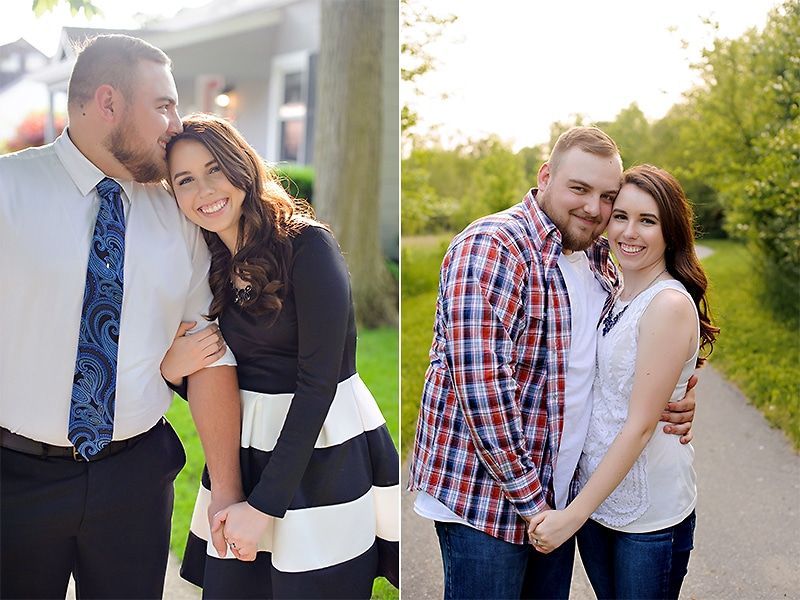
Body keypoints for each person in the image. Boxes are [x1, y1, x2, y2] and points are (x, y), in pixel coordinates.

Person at [0, 35, 243, 599]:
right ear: (107, 103)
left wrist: (227, 491)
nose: (176, 124)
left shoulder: (180, 213)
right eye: (163, 105)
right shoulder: (8, 192)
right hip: (14, 480)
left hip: (136, 478)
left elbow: (206, 351)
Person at [408, 127, 697, 599]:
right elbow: (483, 391)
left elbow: (622, 356)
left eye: (607, 197)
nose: (594, 208)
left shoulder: (599, 259)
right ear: (546, 176)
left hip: (556, 501)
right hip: (489, 503)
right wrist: (537, 506)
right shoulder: (493, 247)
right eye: (579, 189)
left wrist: (681, 389)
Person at [159, 113, 399, 599]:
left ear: (242, 166)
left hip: (320, 447)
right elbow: (216, 369)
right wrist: (172, 372)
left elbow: (318, 384)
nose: (205, 190)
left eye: (215, 169)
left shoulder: (308, 247)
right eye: (185, 180)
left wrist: (264, 508)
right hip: (244, 449)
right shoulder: (208, 263)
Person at [528, 165, 719, 599]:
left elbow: (640, 425)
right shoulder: (614, 290)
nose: (630, 232)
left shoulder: (667, 303)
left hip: (647, 518)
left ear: (670, 231)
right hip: (601, 506)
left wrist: (571, 517)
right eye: (621, 216)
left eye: (647, 221)